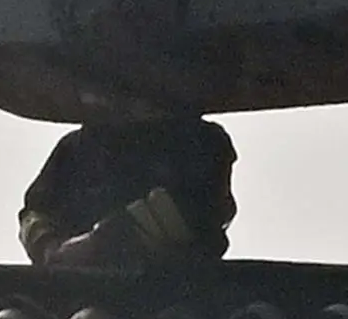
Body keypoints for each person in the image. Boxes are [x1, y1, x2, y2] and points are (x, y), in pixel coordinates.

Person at [18, 116, 238, 270]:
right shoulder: (76, 147)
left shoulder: (200, 140)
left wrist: (98, 243)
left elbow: (194, 210)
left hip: (178, 292)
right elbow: (36, 210)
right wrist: (48, 246)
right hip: (77, 292)